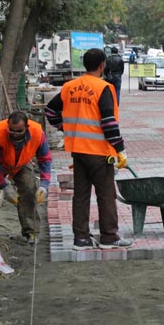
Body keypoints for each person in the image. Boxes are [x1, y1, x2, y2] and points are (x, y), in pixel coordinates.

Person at [46, 48, 132, 250]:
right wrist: (120, 149)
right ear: (102, 65)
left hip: (78, 150)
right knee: (106, 195)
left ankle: (81, 239)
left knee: (81, 195)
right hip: (99, 152)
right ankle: (109, 237)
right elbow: (109, 122)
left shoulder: (70, 87)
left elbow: (50, 111)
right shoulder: (103, 88)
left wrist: (66, 127)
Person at [0, 111, 52, 245]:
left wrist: (44, 184)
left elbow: (45, 159)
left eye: (19, 131)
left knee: (29, 189)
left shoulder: (37, 133)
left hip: (22, 163)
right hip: (1, 163)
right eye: (11, 130)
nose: (15, 134)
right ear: (7, 125)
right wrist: (4, 186)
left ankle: (31, 232)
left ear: (27, 127)